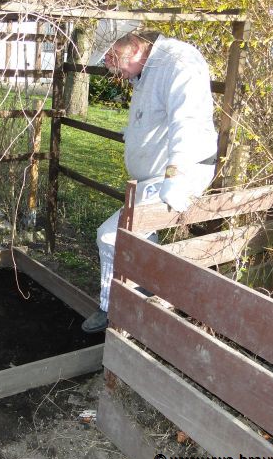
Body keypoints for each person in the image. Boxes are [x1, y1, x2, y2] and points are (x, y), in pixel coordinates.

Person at [81, 30, 218, 333]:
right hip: (154, 177)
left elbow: (189, 122)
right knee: (140, 241)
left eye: (109, 53)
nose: (107, 62)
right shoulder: (148, 69)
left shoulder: (178, 62)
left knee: (111, 236)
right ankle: (140, 299)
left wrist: (175, 180)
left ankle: (115, 307)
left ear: (132, 43)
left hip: (180, 173)